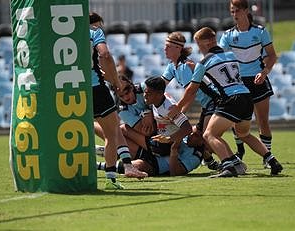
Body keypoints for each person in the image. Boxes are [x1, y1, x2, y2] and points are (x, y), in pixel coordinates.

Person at [172, 27, 282, 177]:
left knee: (209, 135)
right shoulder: (231, 56)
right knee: (244, 134)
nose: (199, 48)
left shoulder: (203, 62)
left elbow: (191, 89)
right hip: (246, 97)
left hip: (230, 100)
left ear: (205, 43)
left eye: (199, 44)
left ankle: (228, 166)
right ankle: (272, 161)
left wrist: (177, 107)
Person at [97, 75, 202, 176]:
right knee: (120, 133)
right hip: (157, 143)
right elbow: (146, 130)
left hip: (161, 146)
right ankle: (109, 155)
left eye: (148, 93)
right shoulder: (152, 104)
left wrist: (169, 140)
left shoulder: (168, 108)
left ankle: (111, 152)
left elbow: (187, 128)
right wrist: (147, 113)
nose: (144, 95)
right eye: (120, 95)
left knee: (121, 130)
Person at [89, 12, 147, 190]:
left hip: (69, 88)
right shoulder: (94, 32)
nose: (100, 28)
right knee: (112, 132)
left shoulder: (66, 35)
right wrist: (115, 82)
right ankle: (111, 178)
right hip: (94, 88)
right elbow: (105, 55)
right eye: (99, 24)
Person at [219, 0, 278, 166]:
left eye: (237, 10)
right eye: (232, 11)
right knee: (236, 120)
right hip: (238, 83)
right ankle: (240, 151)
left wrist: (264, 72)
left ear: (245, 11)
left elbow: (272, 55)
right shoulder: (228, 35)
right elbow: (221, 58)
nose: (234, 14)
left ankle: (267, 156)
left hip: (258, 80)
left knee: (262, 121)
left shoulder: (260, 32)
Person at [161, 31, 220, 170]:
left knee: (207, 137)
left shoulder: (185, 66)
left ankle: (232, 161)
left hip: (215, 102)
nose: (165, 49)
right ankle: (210, 161)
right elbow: (160, 86)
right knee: (194, 138)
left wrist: (179, 113)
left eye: (168, 46)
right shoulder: (172, 66)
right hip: (207, 105)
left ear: (178, 48)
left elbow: (191, 93)